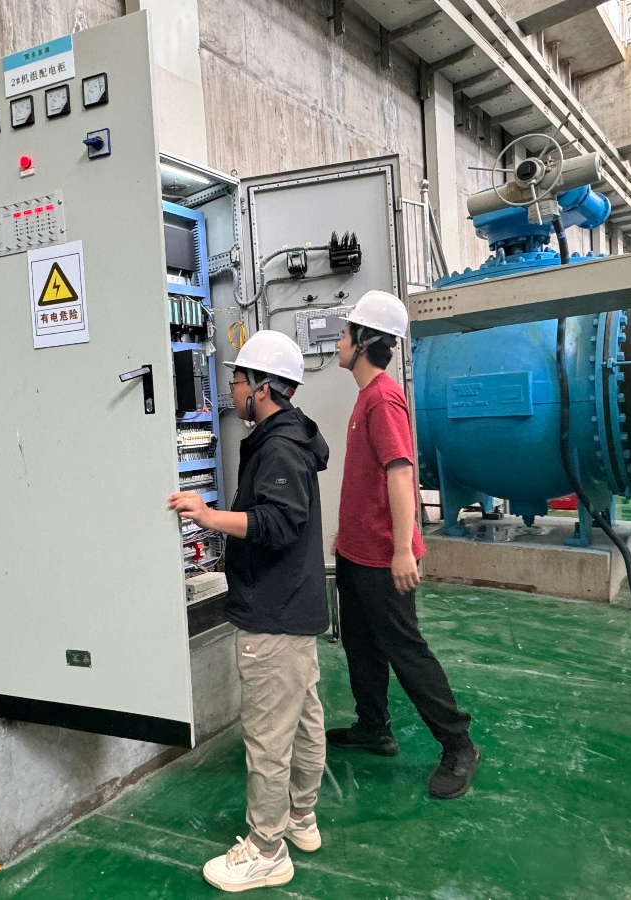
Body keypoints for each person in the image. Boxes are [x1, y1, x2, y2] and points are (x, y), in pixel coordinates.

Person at [168, 330, 332, 892]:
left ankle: (266, 849)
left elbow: (278, 523)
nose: (231, 389)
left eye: (237, 379)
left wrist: (209, 516)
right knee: (303, 719)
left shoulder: (279, 448)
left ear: (262, 387)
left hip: (273, 611)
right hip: (296, 604)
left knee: (267, 735)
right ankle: (301, 817)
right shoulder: (291, 435)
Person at [325, 290, 480, 800]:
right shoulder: (366, 396)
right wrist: (348, 536)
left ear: (363, 341)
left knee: (405, 650)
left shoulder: (383, 398)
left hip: (381, 556)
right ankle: (374, 728)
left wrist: (400, 550)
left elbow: (399, 472)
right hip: (357, 551)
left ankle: (458, 744)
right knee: (361, 643)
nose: (338, 341)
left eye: (345, 333)